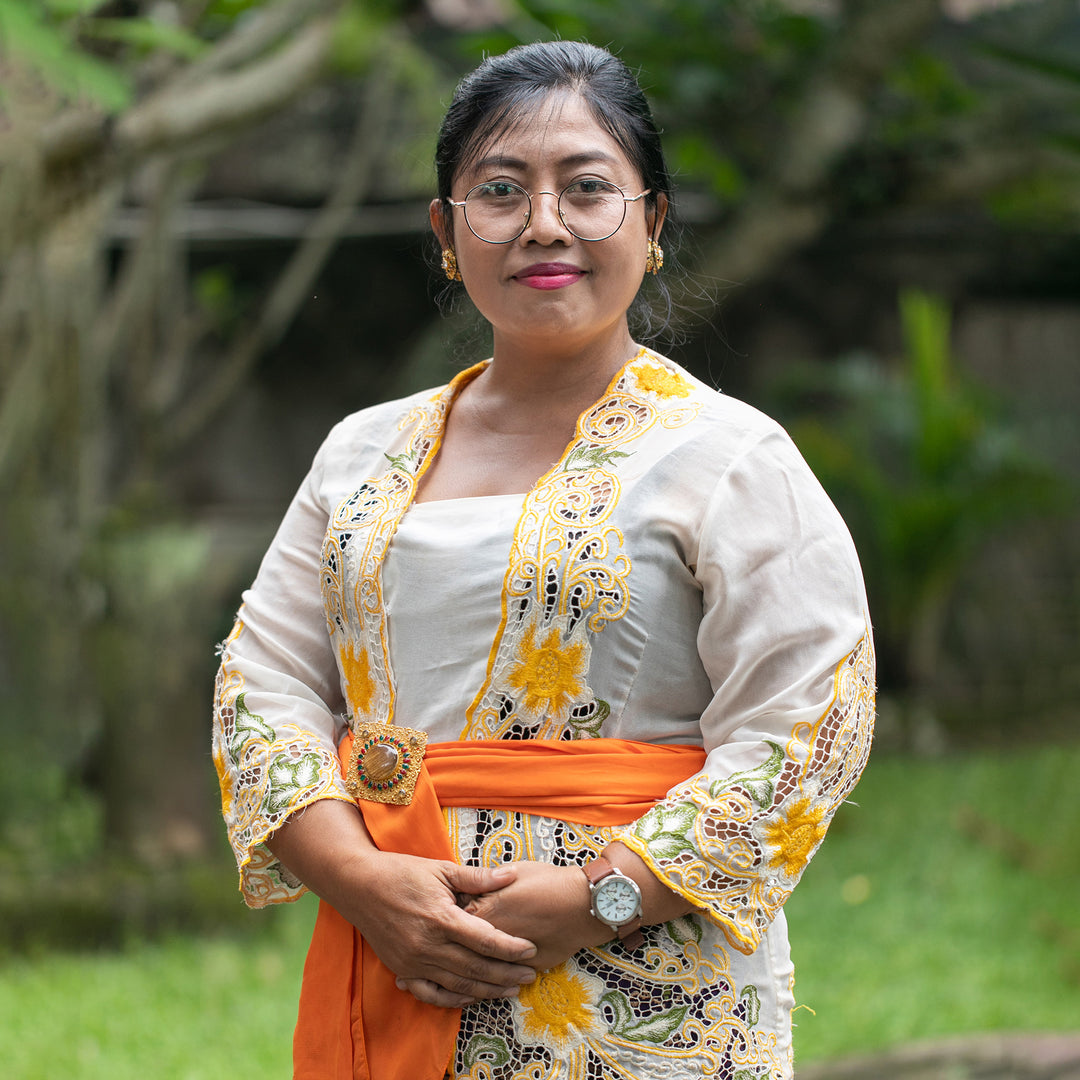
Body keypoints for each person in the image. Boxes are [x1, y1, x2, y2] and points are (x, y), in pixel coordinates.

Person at [212, 40, 874, 1080]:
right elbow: (262, 682)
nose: (545, 224)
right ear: (447, 230)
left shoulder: (731, 457)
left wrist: (605, 897)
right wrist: (362, 881)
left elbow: (811, 720)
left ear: (652, 222)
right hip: (397, 956)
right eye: (501, 191)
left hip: (649, 989)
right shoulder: (361, 451)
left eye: (588, 188)